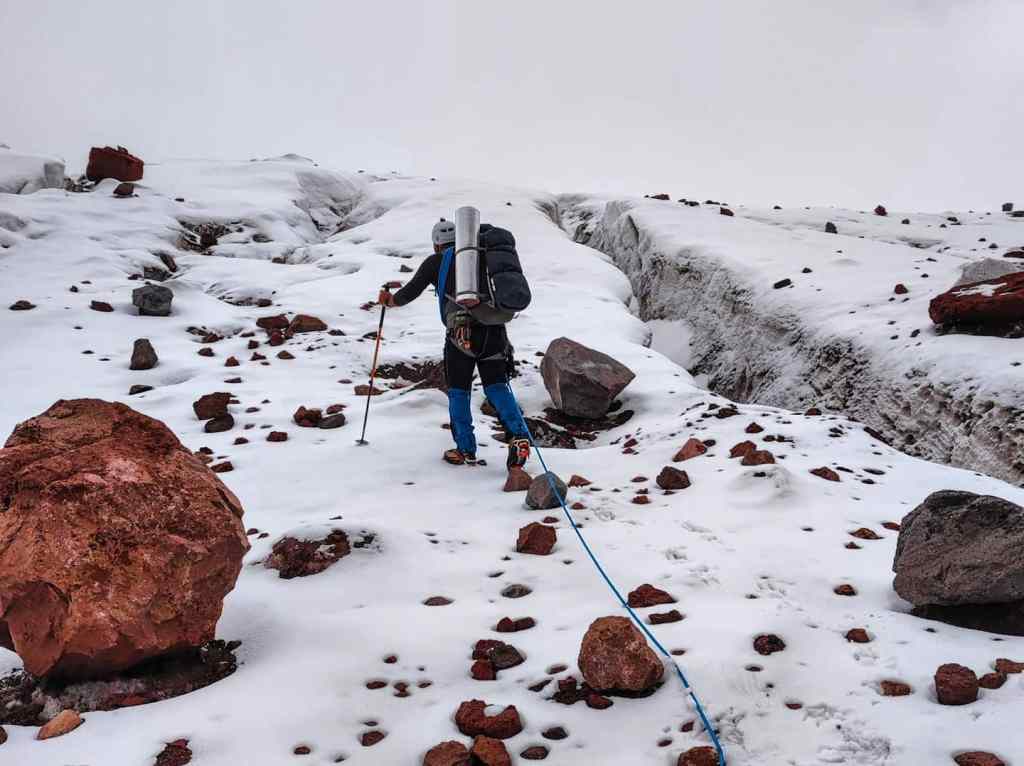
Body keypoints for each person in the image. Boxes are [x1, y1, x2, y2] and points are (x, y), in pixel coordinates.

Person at [377, 218, 531, 468]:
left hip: (461, 336)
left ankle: (465, 449)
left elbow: (407, 294)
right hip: (494, 333)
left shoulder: (436, 261)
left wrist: (388, 300)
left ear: (437, 244)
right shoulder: (484, 257)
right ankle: (519, 437)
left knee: (459, 392)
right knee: (497, 387)